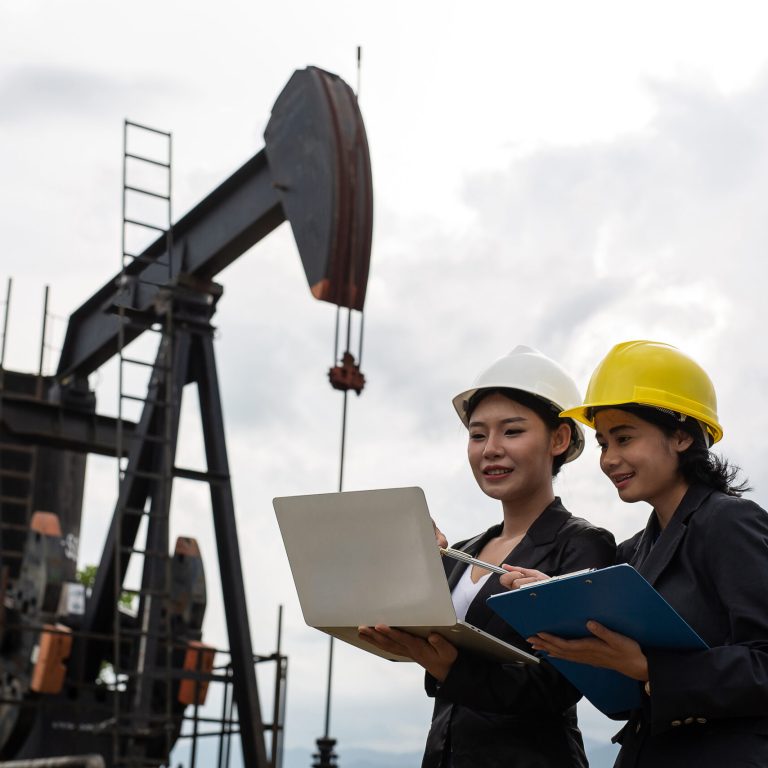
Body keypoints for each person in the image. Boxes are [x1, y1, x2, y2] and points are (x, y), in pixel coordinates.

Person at [358, 346, 616, 768]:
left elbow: (558, 685)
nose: (490, 449)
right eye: (478, 435)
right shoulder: (463, 551)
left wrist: (453, 668)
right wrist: (411, 571)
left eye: (511, 431)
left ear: (559, 438)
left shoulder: (583, 545)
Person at [514, 340, 768, 768]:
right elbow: (622, 697)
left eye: (624, 438)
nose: (610, 459)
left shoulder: (728, 522)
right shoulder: (630, 553)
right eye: (602, 443)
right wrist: (562, 604)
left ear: (682, 435)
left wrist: (652, 668)